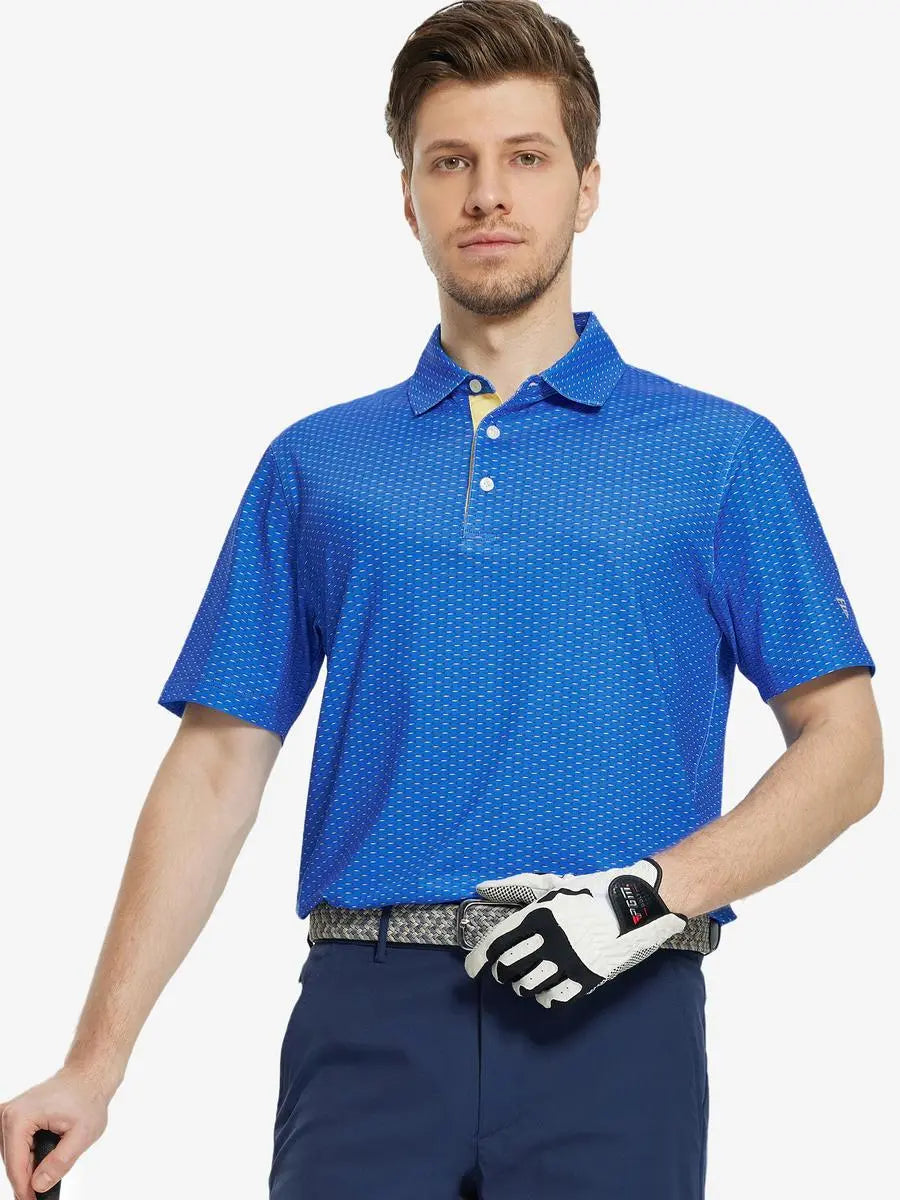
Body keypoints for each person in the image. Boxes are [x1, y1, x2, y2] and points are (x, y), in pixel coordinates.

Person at [1, 1, 883, 1197]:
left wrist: (647, 896)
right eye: (451, 162)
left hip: (617, 1007)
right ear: (408, 198)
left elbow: (847, 748)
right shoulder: (317, 465)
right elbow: (215, 768)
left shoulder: (720, 456)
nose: (489, 195)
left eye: (528, 158)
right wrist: (93, 1066)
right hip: (366, 1018)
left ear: (588, 188)